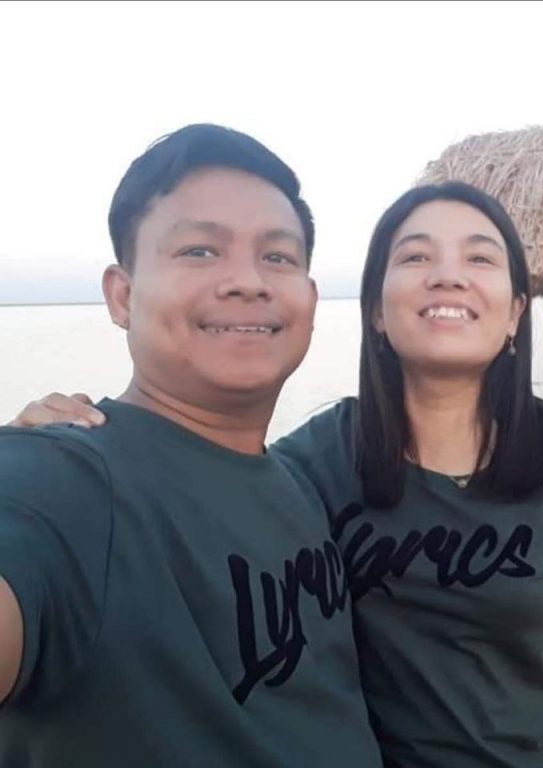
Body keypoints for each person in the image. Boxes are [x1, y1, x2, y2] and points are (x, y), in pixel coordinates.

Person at [15, 181, 543, 767]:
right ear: (378, 312)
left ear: (515, 313)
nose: (448, 273)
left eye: (480, 258)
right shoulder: (314, 463)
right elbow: (196, 493)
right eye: (416, 256)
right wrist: (62, 440)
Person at [0, 124, 383, 766]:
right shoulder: (65, 479)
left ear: (311, 299)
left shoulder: (298, 483)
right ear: (123, 296)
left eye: (278, 257)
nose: (248, 281)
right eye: (200, 251)